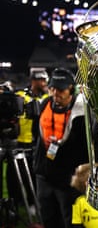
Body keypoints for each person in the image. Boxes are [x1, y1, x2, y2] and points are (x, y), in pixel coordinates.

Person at [33, 68, 89, 228]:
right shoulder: (45, 104)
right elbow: (37, 135)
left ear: (71, 88)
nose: (55, 93)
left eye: (60, 89)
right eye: (52, 88)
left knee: (70, 220)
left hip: (69, 177)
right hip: (45, 175)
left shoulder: (81, 110)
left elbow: (87, 144)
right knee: (48, 218)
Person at [10, 70, 49, 213]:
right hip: (19, 141)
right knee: (14, 176)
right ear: (33, 81)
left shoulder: (47, 97)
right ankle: (15, 203)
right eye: (41, 80)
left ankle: (33, 203)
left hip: (37, 142)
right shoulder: (21, 95)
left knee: (34, 176)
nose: (44, 83)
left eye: (45, 80)